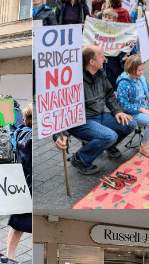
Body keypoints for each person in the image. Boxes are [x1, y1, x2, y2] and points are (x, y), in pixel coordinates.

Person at [54, 45, 136, 175]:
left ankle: (107, 146)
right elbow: (63, 109)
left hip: (99, 115)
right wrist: (59, 135)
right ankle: (80, 159)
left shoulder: (100, 73)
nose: (104, 58)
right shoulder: (74, 80)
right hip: (82, 121)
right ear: (92, 62)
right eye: (101, 56)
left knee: (130, 124)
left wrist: (117, 111)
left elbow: (109, 94)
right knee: (110, 136)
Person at [7, 104, 32, 259]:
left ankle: (9, 256)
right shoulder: (29, 137)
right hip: (30, 187)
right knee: (19, 225)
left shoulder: (21, 133)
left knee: (17, 226)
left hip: (25, 187)